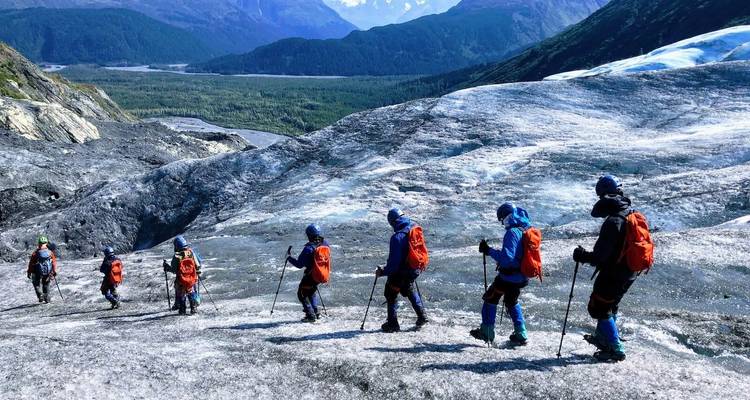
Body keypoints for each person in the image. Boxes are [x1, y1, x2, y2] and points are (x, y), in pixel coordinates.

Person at [572, 175, 635, 362]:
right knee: (611, 304)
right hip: (630, 271)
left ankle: (615, 348)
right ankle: (604, 338)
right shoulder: (631, 213)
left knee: (600, 308)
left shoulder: (613, 221)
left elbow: (600, 256)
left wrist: (582, 255)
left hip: (614, 273)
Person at [471, 203, 532, 346]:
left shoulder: (512, 233)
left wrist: (489, 251)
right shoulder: (525, 229)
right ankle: (521, 333)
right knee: (511, 301)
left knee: (490, 298)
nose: (503, 223)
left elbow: (507, 258)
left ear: (508, 217)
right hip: (521, 276)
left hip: (508, 277)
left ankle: (486, 332)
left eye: (503, 220)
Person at [376, 208, 428, 333]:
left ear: (392, 222)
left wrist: (383, 271)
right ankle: (422, 316)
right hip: (415, 268)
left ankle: (392, 324)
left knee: (390, 293)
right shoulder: (414, 227)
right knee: (409, 288)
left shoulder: (397, 237)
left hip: (402, 271)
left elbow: (394, 264)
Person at [286, 224, 331, 323]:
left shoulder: (309, 249)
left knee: (301, 294)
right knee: (311, 291)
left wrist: (289, 258)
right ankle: (316, 312)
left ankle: (310, 315)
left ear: (309, 235)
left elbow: (299, 264)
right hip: (321, 273)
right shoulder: (325, 244)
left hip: (311, 275)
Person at [163, 235, 202, 315]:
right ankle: (193, 308)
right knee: (191, 292)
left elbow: (174, 269)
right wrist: (197, 272)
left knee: (181, 294)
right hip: (192, 278)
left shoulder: (177, 255)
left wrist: (167, 267)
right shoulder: (191, 252)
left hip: (181, 279)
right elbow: (197, 264)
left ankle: (182, 309)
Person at [27, 235, 57, 304]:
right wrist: (54, 271)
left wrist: (29, 272)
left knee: (36, 284)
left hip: (36, 271)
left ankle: (40, 295)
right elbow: (54, 262)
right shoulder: (50, 253)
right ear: (46, 243)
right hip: (47, 272)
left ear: (39, 243)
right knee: (46, 284)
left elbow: (31, 264)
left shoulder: (35, 253)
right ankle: (46, 298)